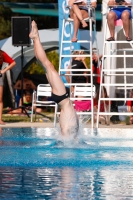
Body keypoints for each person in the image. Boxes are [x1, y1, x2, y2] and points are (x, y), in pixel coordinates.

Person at [29, 20, 79, 137]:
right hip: (62, 101)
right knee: (46, 65)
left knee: (48, 65)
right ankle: (35, 39)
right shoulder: (69, 134)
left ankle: (36, 38)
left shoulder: (67, 130)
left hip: (63, 99)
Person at [0, 50, 16, 125]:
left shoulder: (2, 54)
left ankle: (0, 119)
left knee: (0, 99)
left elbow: (13, 63)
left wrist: (4, 70)